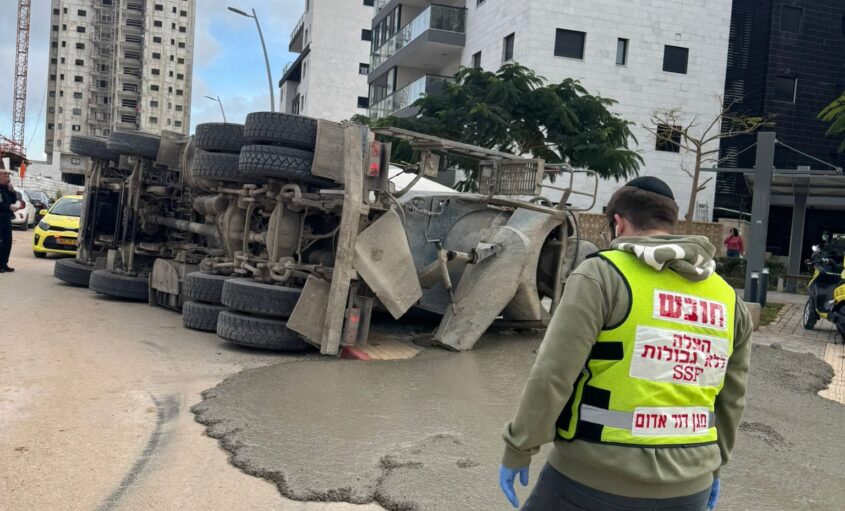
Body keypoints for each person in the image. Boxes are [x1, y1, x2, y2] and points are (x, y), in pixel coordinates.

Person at [499, 176, 752, 511]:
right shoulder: (728, 299)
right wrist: (715, 467)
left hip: (591, 481)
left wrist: (520, 447)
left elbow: (553, 373)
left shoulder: (602, 276)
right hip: (691, 488)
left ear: (618, 222)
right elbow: (732, 398)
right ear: (668, 222)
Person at [0, 169, 18, 273]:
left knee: (7, 242)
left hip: (6, 218)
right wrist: (9, 207)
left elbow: (14, 200)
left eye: (8, 174)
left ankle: (4, 264)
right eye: (4, 174)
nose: (7, 176)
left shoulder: (6, 188)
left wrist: (12, 191)